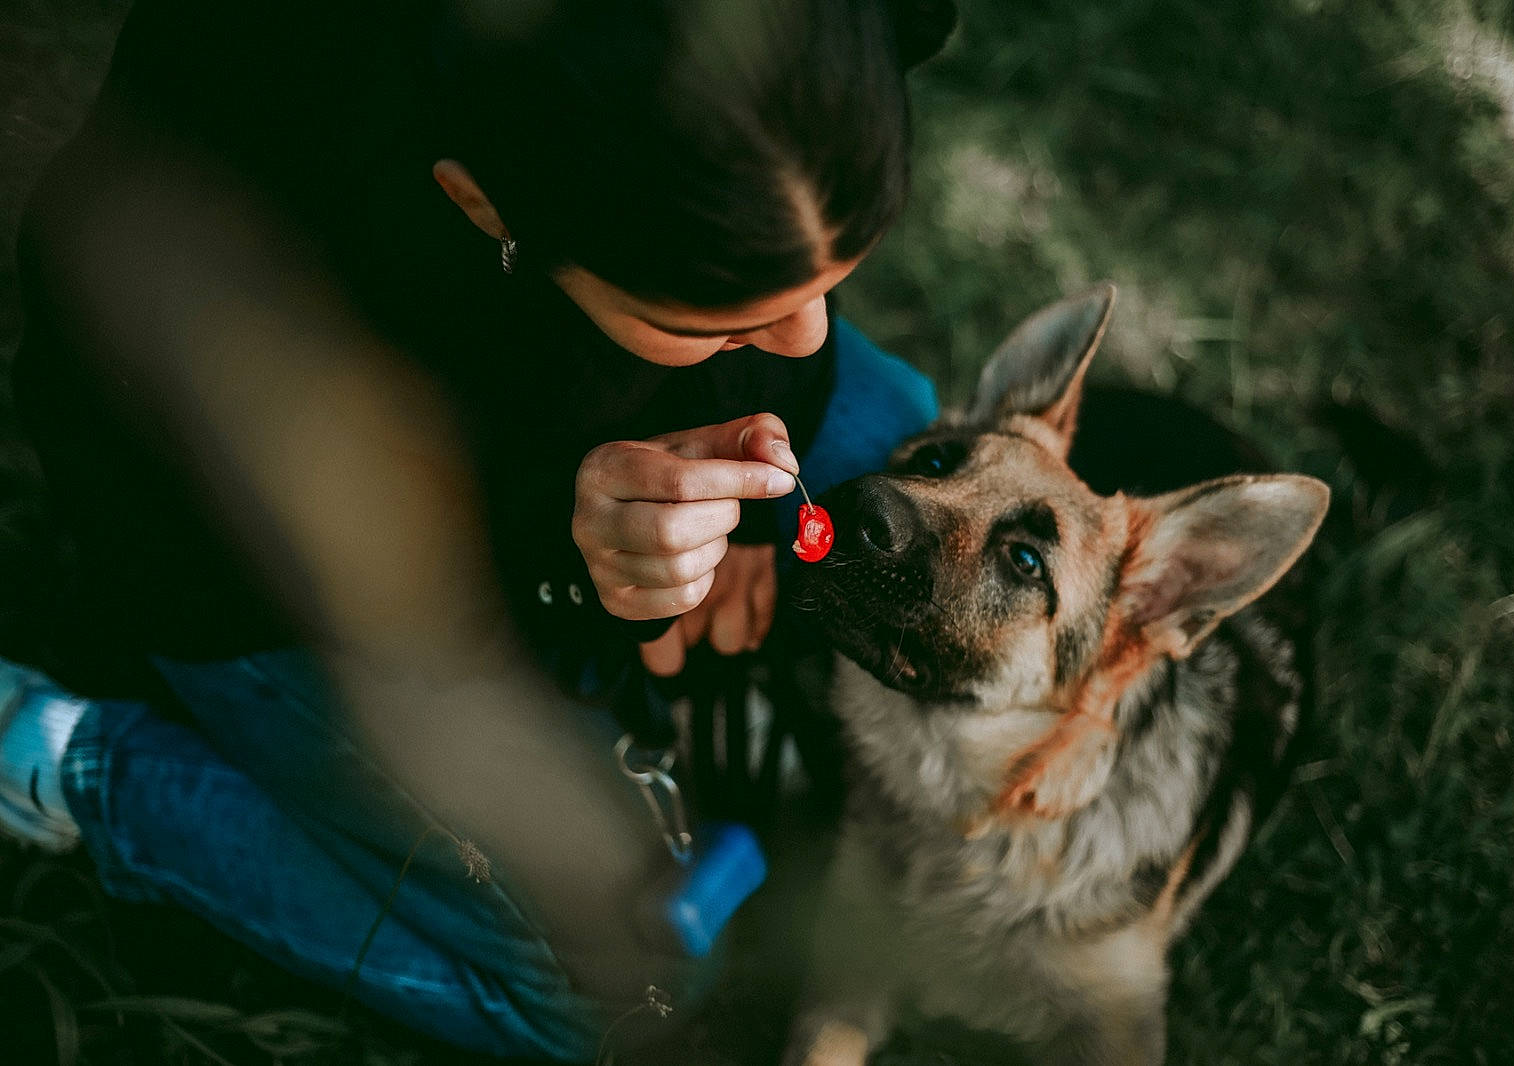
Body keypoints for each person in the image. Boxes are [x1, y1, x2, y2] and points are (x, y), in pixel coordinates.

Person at [0, 0, 953, 1058]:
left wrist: (747, 512)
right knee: (626, 976)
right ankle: (83, 763)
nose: (804, 334)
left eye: (838, 275)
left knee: (898, 434)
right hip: (252, 556)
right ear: (486, 207)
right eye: (718, 321)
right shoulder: (312, 199)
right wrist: (579, 560)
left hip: (537, 392)